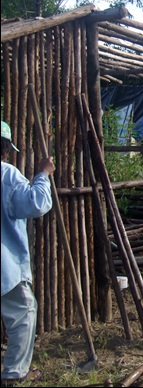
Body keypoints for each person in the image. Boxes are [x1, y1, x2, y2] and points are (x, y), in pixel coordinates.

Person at [2, 121, 54, 386]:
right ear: (5, 150)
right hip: (5, 265)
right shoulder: (7, 175)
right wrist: (43, 175)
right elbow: (37, 203)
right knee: (24, 312)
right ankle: (14, 373)